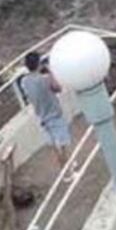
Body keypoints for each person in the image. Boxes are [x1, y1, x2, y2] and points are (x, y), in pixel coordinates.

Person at [19, 51, 77, 180]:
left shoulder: (24, 81)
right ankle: (68, 173)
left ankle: (67, 166)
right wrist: (50, 72)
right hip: (55, 115)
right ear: (39, 64)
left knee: (56, 145)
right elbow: (58, 88)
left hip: (42, 116)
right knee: (63, 144)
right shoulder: (44, 80)